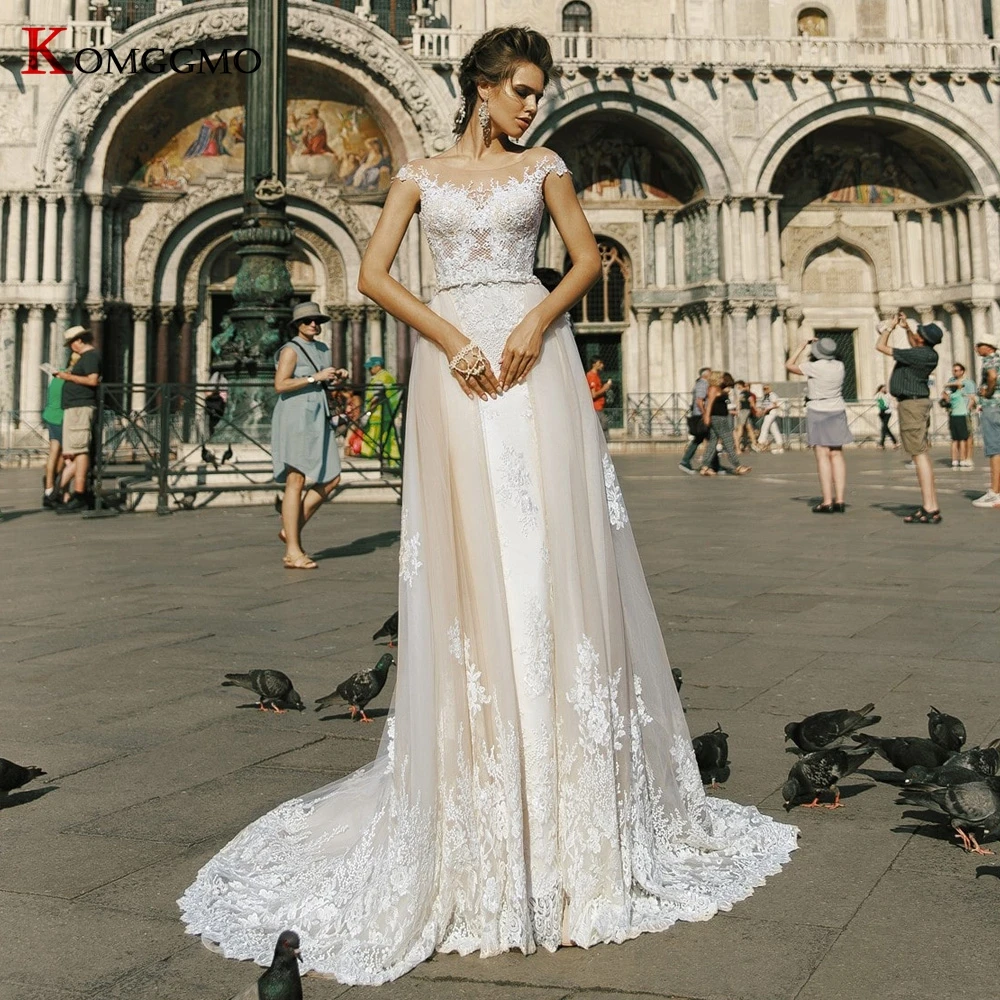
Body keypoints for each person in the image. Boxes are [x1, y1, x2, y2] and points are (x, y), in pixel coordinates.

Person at [179, 26, 796, 983]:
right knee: (470, 551)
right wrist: (448, 339)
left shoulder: (545, 165)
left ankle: (568, 794)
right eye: (516, 89)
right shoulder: (418, 171)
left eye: (537, 92)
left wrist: (534, 320)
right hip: (452, 361)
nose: (530, 105)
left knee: (547, 543)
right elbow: (378, 273)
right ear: (477, 88)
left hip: (532, 356)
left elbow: (586, 259)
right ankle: (477, 777)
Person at [270, 301, 345, 569]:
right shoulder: (291, 350)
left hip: (317, 416)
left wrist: (335, 376)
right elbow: (280, 384)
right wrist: (314, 378)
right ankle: (293, 551)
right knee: (296, 479)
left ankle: (290, 529)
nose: (313, 324)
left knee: (333, 477)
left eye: (317, 320)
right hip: (295, 416)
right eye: (307, 321)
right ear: (296, 325)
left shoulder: (323, 349)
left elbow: (322, 377)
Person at [876, 312, 943, 524]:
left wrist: (889, 327)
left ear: (922, 340)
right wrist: (906, 328)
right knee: (922, 453)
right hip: (918, 402)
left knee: (918, 455)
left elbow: (881, 346)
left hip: (912, 405)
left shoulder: (918, 355)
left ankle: (929, 506)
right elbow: (916, 342)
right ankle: (931, 505)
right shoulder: (928, 354)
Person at [786, 336, 852, 512]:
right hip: (837, 408)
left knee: (822, 455)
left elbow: (789, 365)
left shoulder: (813, 367)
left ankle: (827, 501)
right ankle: (840, 499)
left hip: (818, 409)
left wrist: (801, 346)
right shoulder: (840, 366)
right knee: (837, 454)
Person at [55, 326, 101, 514]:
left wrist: (68, 377)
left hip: (81, 408)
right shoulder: (84, 357)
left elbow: (92, 380)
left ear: (80, 340)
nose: (71, 347)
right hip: (75, 408)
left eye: (72, 343)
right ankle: (73, 493)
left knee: (80, 450)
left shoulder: (90, 357)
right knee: (75, 449)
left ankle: (80, 493)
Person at [40, 350, 78, 508]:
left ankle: (49, 489)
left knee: (54, 452)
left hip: (51, 415)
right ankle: (58, 490)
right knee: (66, 456)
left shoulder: (58, 374)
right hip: (62, 418)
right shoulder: (70, 378)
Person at [698, 371, 750, 476]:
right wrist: (707, 416)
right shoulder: (713, 389)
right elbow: (709, 404)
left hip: (720, 417)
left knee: (712, 442)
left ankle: (705, 467)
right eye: (721, 377)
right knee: (728, 441)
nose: (723, 379)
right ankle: (738, 466)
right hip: (718, 418)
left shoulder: (718, 388)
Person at [972, 339, 1000, 508]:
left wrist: (987, 392)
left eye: (979, 345)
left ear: (988, 347)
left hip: (992, 407)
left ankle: (995, 492)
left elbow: (992, 376)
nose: (976, 348)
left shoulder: (989, 360)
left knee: (994, 449)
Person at [360, 356, 401, 465]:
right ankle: (394, 463)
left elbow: (376, 396)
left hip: (376, 414)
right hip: (389, 413)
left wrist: (367, 413)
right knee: (389, 439)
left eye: (371, 368)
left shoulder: (380, 378)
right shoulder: (388, 376)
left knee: (370, 437)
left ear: (378, 366)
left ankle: (365, 461)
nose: (369, 370)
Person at [942, 362, 976, 469]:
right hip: (954, 412)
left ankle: (968, 457)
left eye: (956, 370)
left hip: (965, 413)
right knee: (956, 437)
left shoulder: (969, 383)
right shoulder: (951, 382)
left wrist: (967, 409)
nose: (954, 372)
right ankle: (957, 459)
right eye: (953, 370)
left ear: (962, 371)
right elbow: (945, 394)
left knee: (968, 436)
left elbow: (972, 398)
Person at [679, 366, 711, 472]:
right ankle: (685, 461)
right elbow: (699, 400)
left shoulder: (703, 384)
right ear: (706, 375)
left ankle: (713, 464)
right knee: (708, 439)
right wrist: (705, 414)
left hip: (700, 415)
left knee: (703, 439)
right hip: (700, 416)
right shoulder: (702, 384)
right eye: (711, 373)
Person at [586, 355, 612, 441]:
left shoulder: (596, 376)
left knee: (603, 427)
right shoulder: (592, 376)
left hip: (599, 407)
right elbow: (593, 395)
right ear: (594, 364)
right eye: (600, 363)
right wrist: (605, 388)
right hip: (596, 408)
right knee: (602, 429)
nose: (602, 365)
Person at [756, 384, 784, 453]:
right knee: (774, 430)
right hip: (767, 413)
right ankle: (780, 445)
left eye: (766, 388)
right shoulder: (765, 396)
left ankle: (760, 443)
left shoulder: (772, 395)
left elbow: (776, 404)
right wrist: (761, 410)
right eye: (764, 389)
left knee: (764, 427)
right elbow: (763, 405)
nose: (765, 390)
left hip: (771, 413)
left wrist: (767, 409)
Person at [733, 380, 758, 453]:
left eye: (738, 385)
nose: (737, 387)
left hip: (744, 411)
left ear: (740, 385)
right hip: (746, 411)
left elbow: (751, 401)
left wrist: (756, 410)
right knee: (749, 427)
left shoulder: (745, 393)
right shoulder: (743, 393)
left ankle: (735, 444)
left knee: (740, 428)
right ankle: (754, 444)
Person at [875, 383, 898, 449]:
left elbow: (889, 402)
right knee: (885, 428)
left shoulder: (887, 395)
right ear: (880, 388)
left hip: (888, 412)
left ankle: (882, 443)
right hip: (882, 412)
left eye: (885, 388)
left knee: (884, 427)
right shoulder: (879, 395)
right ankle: (895, 442)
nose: (885, 389)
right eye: (883, 388)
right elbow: (879, 401)